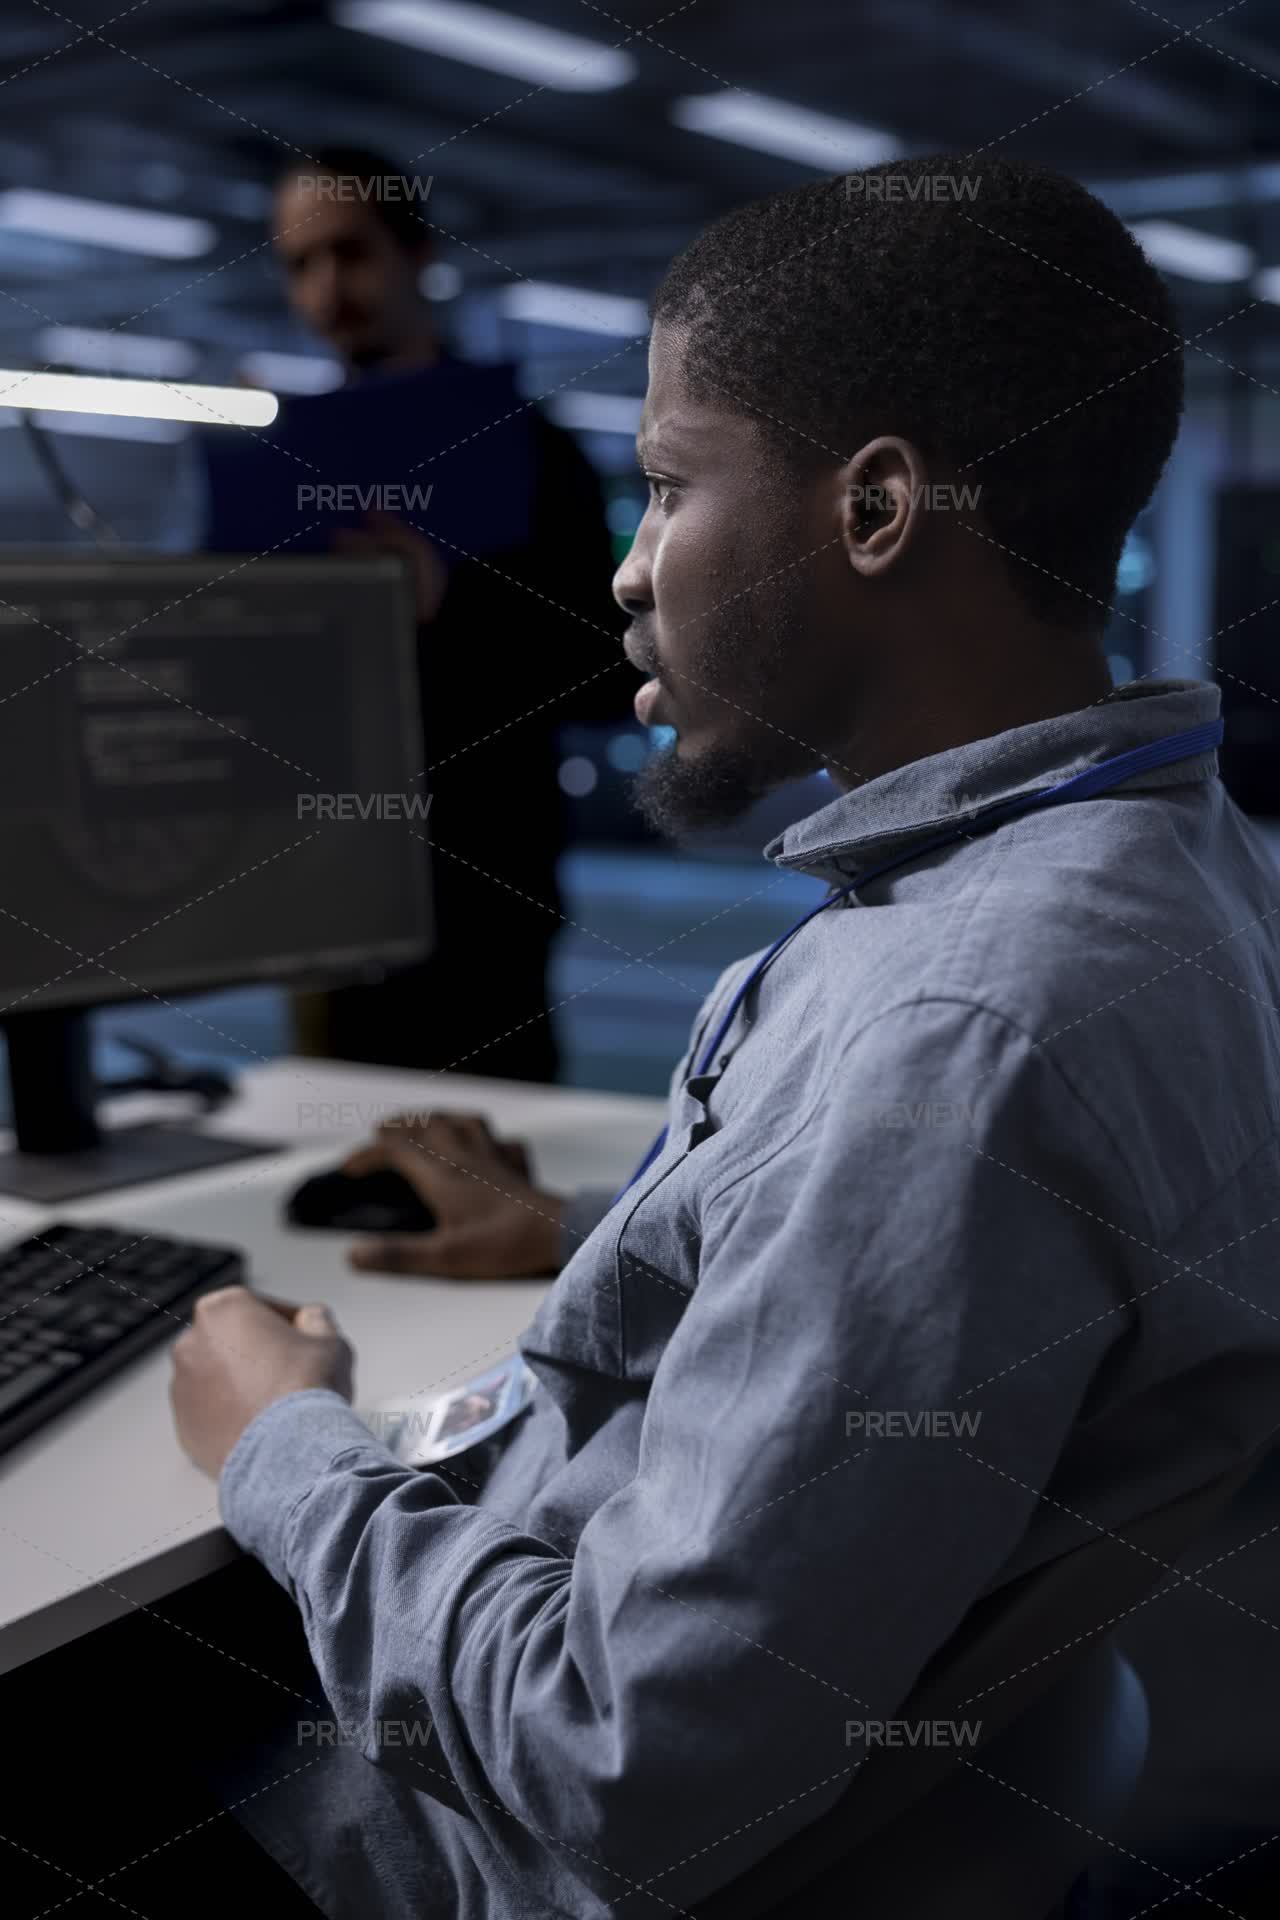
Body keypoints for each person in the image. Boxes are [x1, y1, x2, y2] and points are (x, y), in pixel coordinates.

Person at [151, 155, 1280, 1914]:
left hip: (482, 1842)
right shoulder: (1169, 872)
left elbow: (621, 1759)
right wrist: (608, 1253)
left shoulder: (955, 1035)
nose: (626, 569)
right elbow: (901, 1285)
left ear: (881, 509)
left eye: (670, 488)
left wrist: (286, 1448)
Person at [228, 144, 628, 1082]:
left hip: (479, 904)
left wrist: (452, 601)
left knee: (487, 1166)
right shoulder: (279, 471)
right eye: (300, 264)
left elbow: (613, 673)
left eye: (351, 251)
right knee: (332, 1157)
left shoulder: (529, 452)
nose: (328, 287)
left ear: (416, 254)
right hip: (322, 891)